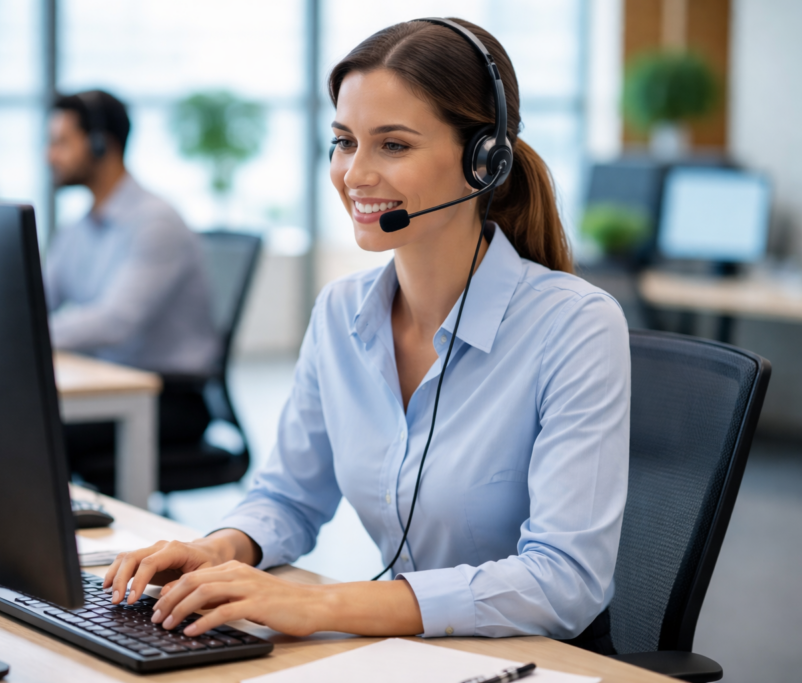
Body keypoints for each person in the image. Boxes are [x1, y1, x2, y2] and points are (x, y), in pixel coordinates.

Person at [102, 19, 630, 650]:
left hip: (532, 661)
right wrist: (218, 549)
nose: (354, 174)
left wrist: (317, 603)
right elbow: (289, 497)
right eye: (345, 141)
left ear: (484, 162)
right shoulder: (341, 312)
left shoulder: (573, 325)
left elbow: (563, 582)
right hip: (408, 654)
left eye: (394, 145)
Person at [45, 91, 220, 471]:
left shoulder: (154, 222)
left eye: (60, 142)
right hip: (107, 385)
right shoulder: (79, 228)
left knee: (33, 432)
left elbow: (115, 322)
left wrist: (27, 336)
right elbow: (37, 298)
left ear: (98, 145)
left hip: (167, 399)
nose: (49, 156)